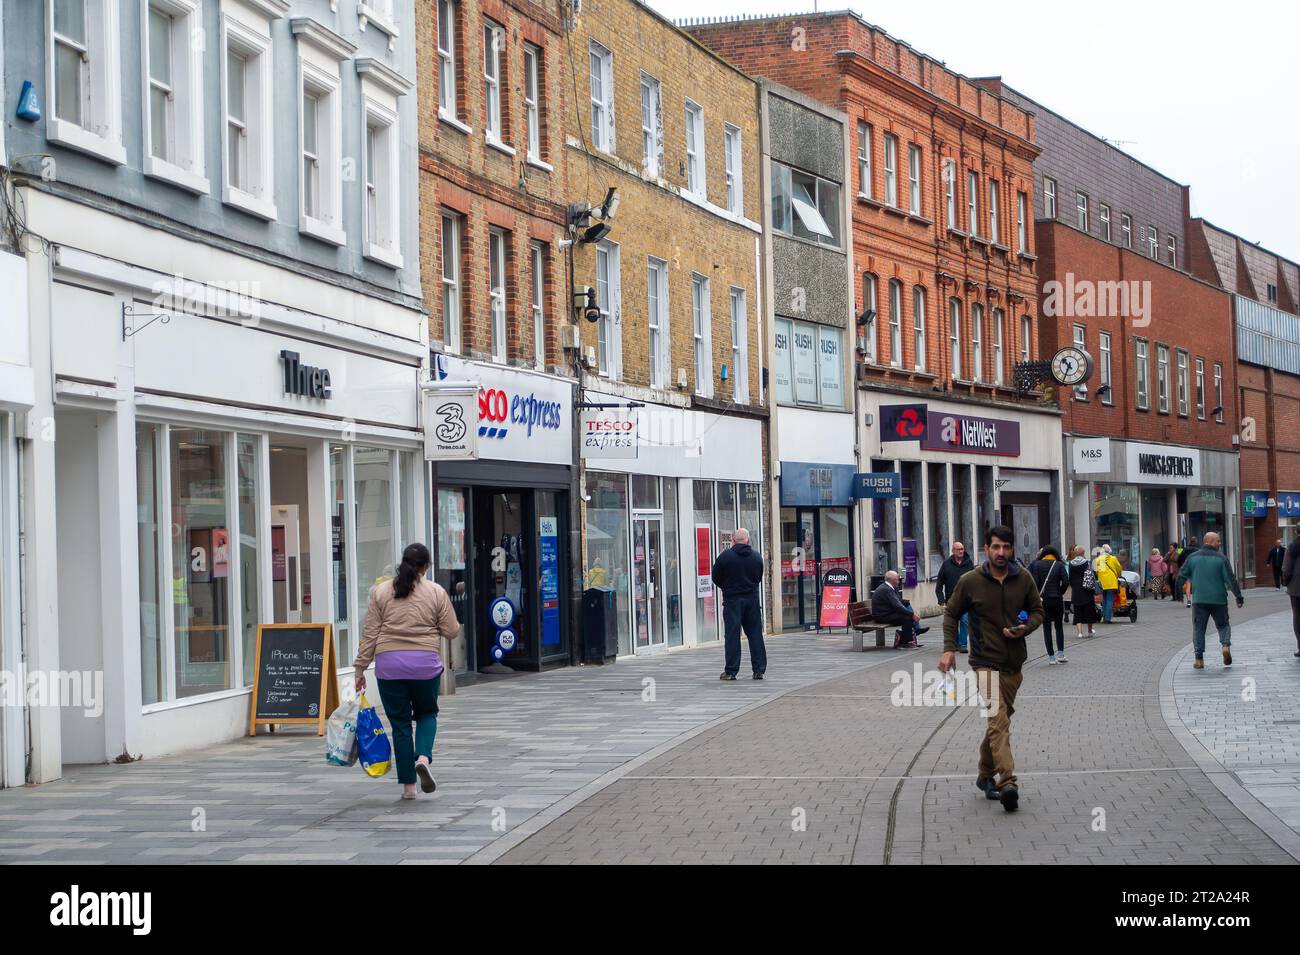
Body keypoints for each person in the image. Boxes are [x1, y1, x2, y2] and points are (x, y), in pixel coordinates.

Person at [939, 526, 1044, 813]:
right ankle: (1007, 782)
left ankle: (985, 774)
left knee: (1000, 723)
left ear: (1012, 549)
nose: (1001, 553)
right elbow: (951, 613)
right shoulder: (970, 581)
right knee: (997, 721)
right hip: (984, 662)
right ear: (986, 548)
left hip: (1014, 663)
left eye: (1006, 547)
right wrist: (949, 648)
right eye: (995, 547)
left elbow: (1038, 610)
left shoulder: (1023, 578)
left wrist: (1026, 627)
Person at [354, 543, 460, 800]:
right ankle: (422, 757)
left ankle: (409, 788)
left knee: (400, 726)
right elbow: (451, 630)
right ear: (425, 567)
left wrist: (359, 669)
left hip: (389, 667)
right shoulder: (435, 592)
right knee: (427, 714)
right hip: (425, 666)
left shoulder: (380, 592)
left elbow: (370, 635)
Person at [1176, 532, 1243, 671]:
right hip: (1219, 599)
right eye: (1218, 541)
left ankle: (1199, 659)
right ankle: (1225, 645)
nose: (1220, 543)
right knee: (1223, 625)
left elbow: (1181, 575)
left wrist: (1177, 594)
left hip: (1199, 600)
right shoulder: (1221, 558)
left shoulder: (1192, 558)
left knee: (1199, 629)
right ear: (1211, 541)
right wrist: (1238, 596)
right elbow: (1230, 579)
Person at [712, 527, 766, 680]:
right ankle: (759, 669)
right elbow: (758, 576)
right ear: (748, 540)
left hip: (732, 600)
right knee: (755, 635)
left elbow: (715, 577)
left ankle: (731, 671)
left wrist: (727, 587)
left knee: (732, 636)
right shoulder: (757, 557)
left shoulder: (725, 557)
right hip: (752, 600)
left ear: (733, 540)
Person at [934, 541, 976, 652]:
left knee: (964, 620)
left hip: (965, 600)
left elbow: (974, 581)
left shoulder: (969, 563)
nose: (961, 551)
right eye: (958, 549)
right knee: (953, 623)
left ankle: (962, 644)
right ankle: (956, 643)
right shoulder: (946, 564)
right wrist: (941, 599)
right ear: (953, 551)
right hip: (951, 599)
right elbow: (939, 583)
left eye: (962, 549)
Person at [871, 570, 929, 649]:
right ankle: (905, 643)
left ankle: (907, 641)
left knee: (907, 614)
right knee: (907, 617)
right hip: (882, 616)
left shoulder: (891, 588)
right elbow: (897, 606)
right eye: (898, 579)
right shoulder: (886, 589)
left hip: (888, 613)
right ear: (893, 580)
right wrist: (912, 614)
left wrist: (908, 608)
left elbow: (898, 601)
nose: (899, 581)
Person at [1029, 546, 1067, 664]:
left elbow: (1034, 582)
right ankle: (1060, 653)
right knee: (1058, 626)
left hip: (1043, 600)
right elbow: (1066, 581)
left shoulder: (1037, 565)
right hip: (1057, 599)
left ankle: (1051, 657)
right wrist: (1060, 591)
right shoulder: (1059, 565)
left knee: (1046, 627)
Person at [1068, 545, 1099, 638]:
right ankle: (1089, 631)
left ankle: (1080, 632)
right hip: (1087, 589)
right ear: (1083, 553)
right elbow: (1093, 575)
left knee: (1077, 611)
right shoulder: (1087, 562)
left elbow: (1070, 577)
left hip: (1076, 590)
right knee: (1089, 610)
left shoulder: (1071, 563)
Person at [1281, 536, 1300, 658]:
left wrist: (1286, 582)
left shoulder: (1292, 547)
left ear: (1296, 532)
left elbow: (1286, 568)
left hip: (1296, 588)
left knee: (1298, 616)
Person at [1093, 545, 1122, 623]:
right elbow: (1119, 568)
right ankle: (1107, 618)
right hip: (1111, 581)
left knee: (1104, 599)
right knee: (1109, 599)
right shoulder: (1113, 559)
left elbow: (1095, 571)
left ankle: (1104, 615)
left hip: (1101, 582)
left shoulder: (1098, 560)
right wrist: (1118, 575)